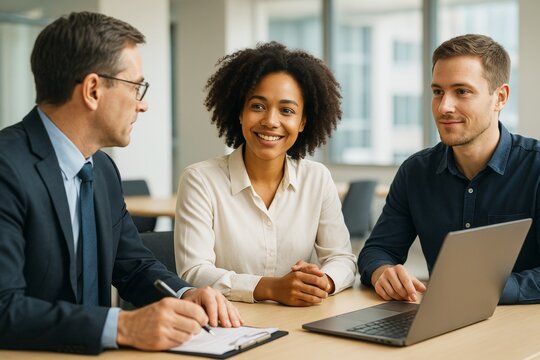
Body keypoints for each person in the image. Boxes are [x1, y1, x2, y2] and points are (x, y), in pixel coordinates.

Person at [0, 12, 242, 355]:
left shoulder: (101, 169)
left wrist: (186, 293)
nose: (142, 105)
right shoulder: (6, 168)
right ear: (93, 90)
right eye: (136, 86)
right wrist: (123, 325)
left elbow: (133, 266)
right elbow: (4, 308)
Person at [358, 34, 540, 305]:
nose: (444, 107)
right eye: (438, 92)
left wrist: (484, 289)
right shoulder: (415, 172)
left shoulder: (535, 168)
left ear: (499, 97)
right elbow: (377, 250)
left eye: (462, 91)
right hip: (442, 324)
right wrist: (382, 271)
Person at [174, 42, 357, 306]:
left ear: (303, 121)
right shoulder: (200, 180)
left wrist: (322, 281)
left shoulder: (317, 179)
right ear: (240, 113)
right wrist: (270, 288)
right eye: (258, 106)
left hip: (300, 323)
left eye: (287, 111)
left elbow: (342, 259)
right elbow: (194, 272)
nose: (271, 121)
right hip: (227, 325)